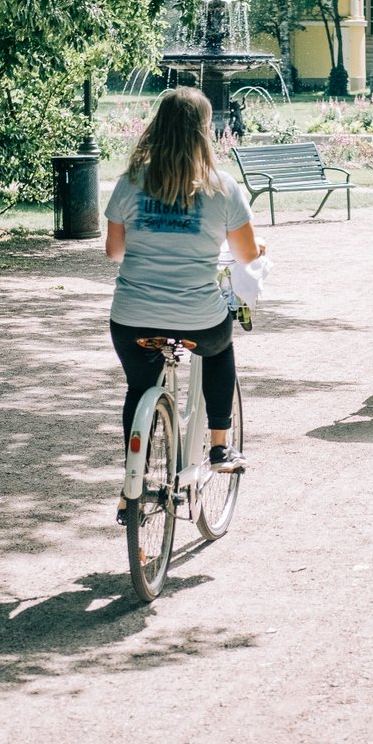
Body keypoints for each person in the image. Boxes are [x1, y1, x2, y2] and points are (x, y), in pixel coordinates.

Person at [104, 87, 264, 477]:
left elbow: (114, 252)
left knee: (138, 389)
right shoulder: (221, 186)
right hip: (198, 319)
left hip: (131, 319)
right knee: (219, 348)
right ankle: (220, 447)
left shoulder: (130, 182)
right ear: (203, 130)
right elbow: (245, 255)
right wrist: (259, 247)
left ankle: (134, 483)